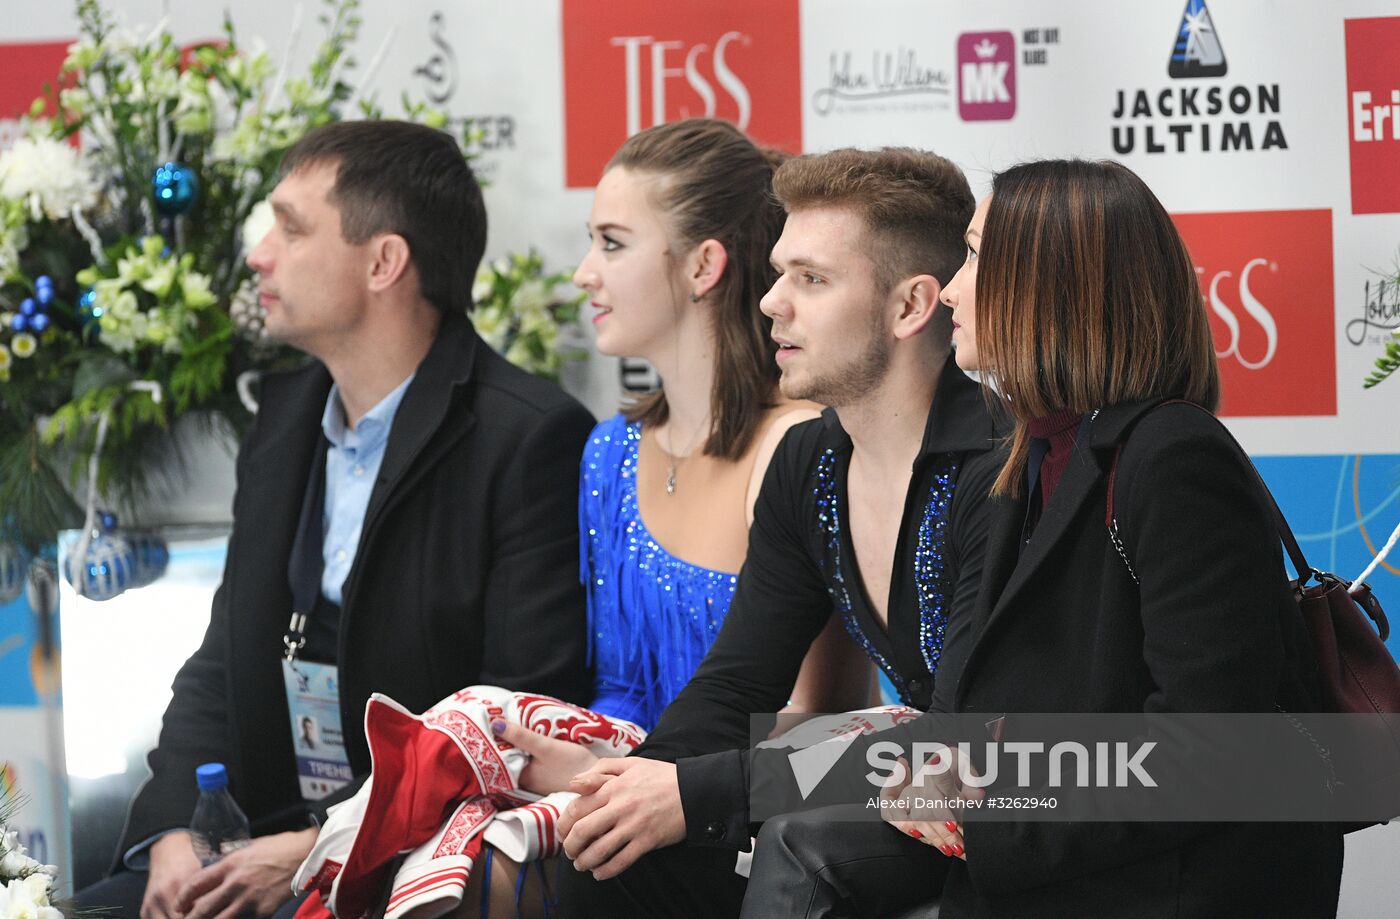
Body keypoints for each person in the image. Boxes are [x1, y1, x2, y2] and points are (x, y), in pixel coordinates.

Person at [74, 121, 594, 919]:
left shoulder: (527, 436)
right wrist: (173, 827)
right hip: (255, 851)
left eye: (290, 227)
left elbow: (511, 721)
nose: (258, 254)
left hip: (406, 866)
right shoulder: (283, 419)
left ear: (384, 262)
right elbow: (223, 658)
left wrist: (318, 845)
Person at [538, 146, 1004, 918]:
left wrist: (694, 790)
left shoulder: (1000, 468)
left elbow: (950, 739)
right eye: (781, 271)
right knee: (609, 849)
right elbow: (734, 683)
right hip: (901, 783)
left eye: (811, 280)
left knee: (783, 839)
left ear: (911, 306)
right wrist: (639, 785)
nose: (771, 302)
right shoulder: (810, 458)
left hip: (1014, 802)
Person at [881, 158, 1342, 916]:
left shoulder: (1172, 456)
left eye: (975, 255)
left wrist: (987, 819)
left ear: (1053, 283)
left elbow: (1207, 747)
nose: (953, 288)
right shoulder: (1016, 459)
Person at [464, 117, 871, 918]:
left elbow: (824, 727)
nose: (583, 272)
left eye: (612, 243)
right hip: (612, 794)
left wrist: (620, 776)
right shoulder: (608, 452)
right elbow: (602, 683)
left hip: (742, 827)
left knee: (480, 889)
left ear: (702, 265)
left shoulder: (795, 450)